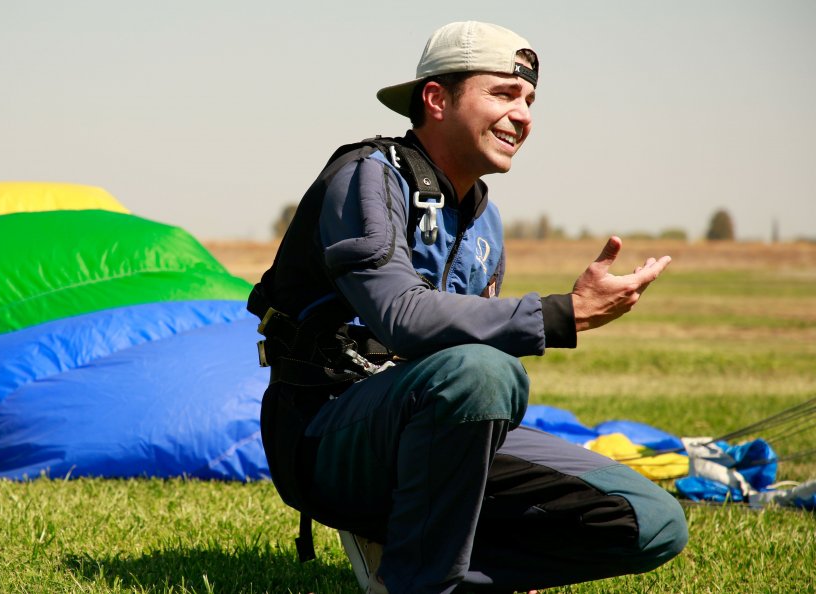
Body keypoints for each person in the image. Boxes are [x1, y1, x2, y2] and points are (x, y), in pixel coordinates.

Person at [247, 21, 688, 594]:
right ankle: (422, 581)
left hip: (426, 427)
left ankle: (435, 559)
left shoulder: (485, 217)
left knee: (652, 524)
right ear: (436, 99)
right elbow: (400, 315)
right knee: (485, 370)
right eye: (503, 94)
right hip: (327, 436)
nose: (524, 115)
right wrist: (559, 314)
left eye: (529, 100)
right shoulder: (367, 176)